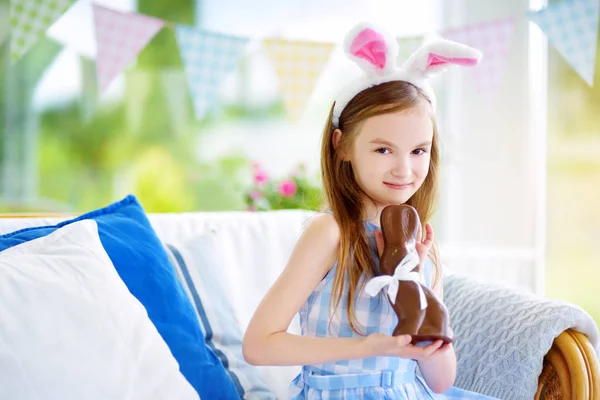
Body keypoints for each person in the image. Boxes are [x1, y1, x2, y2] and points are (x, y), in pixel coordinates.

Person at [243, 22, 498, 400]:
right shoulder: (331, 234)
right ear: (342, 146)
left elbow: (441, 380)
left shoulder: (422, 245)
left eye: (418, 151)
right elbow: (259, 344)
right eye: (383, 149)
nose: (404, 169)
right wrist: (370, 346)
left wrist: (416, 289)